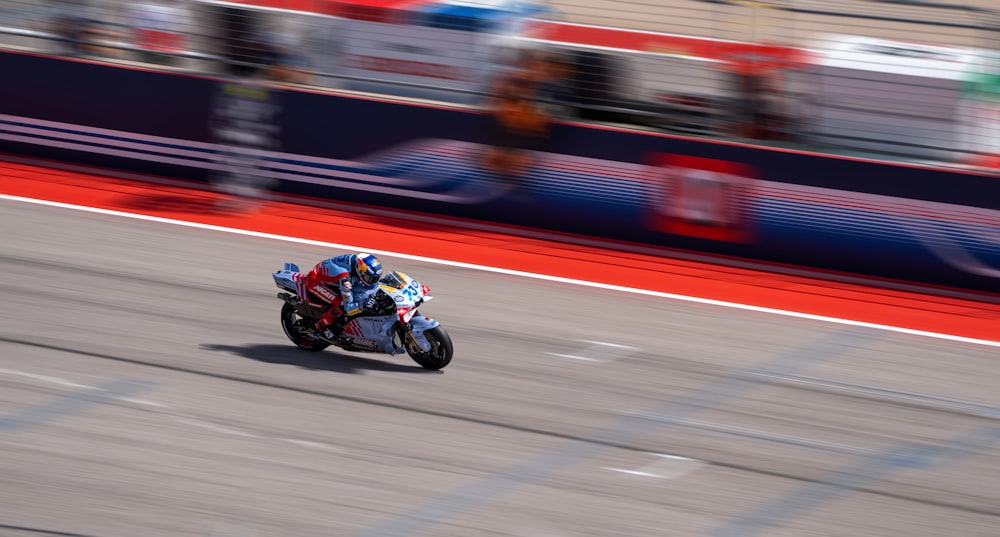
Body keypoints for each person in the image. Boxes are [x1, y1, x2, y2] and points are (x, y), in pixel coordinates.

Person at [295, 252, 383, 341]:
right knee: (340, 307)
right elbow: (348, 308)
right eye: (370, 278)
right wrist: (362, 305)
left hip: (330, 276)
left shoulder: (358, 261)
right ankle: (319, 328)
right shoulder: (345, 279)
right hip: (315, 282)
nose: (373, 282)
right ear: (360, 271)